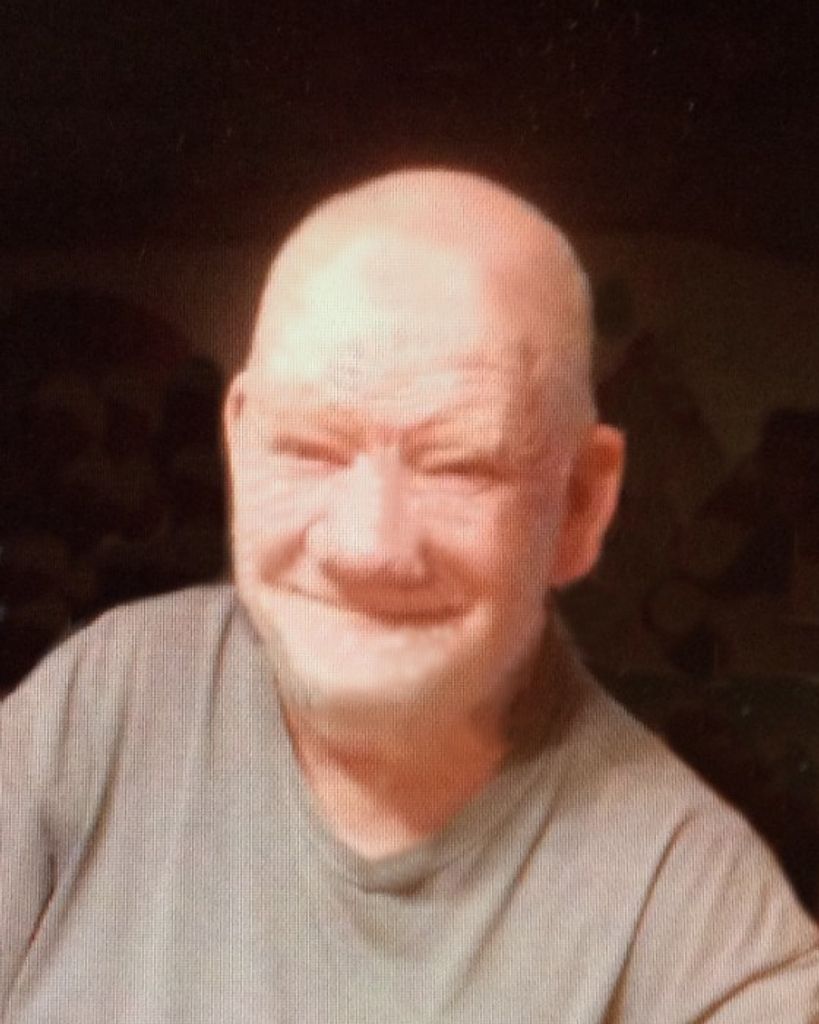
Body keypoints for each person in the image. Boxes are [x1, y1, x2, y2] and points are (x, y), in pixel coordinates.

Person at [1, 168, 817, 1022]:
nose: (367, 545)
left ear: (580, 502)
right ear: (239, 442)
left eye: (459, 464)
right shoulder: (110, 695)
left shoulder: (700, 926)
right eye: (309, 447)